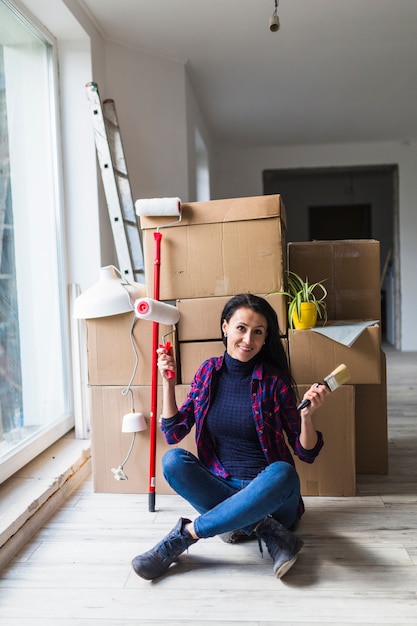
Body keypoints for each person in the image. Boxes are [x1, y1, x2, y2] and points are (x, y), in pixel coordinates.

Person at [131, 293, 330, 581]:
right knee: (173, 461)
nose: (248, 339)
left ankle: (185, 536)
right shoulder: (207, 372)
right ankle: (270, 533)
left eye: (258, 332)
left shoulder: (275, 381)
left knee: (283, 473)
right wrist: (168, 383)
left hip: (271, 497)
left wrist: (307, 418)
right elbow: (174, 432)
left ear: (265, 339)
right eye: (241, 328)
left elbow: (306, 453)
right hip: (221, 486)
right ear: (225, 327)